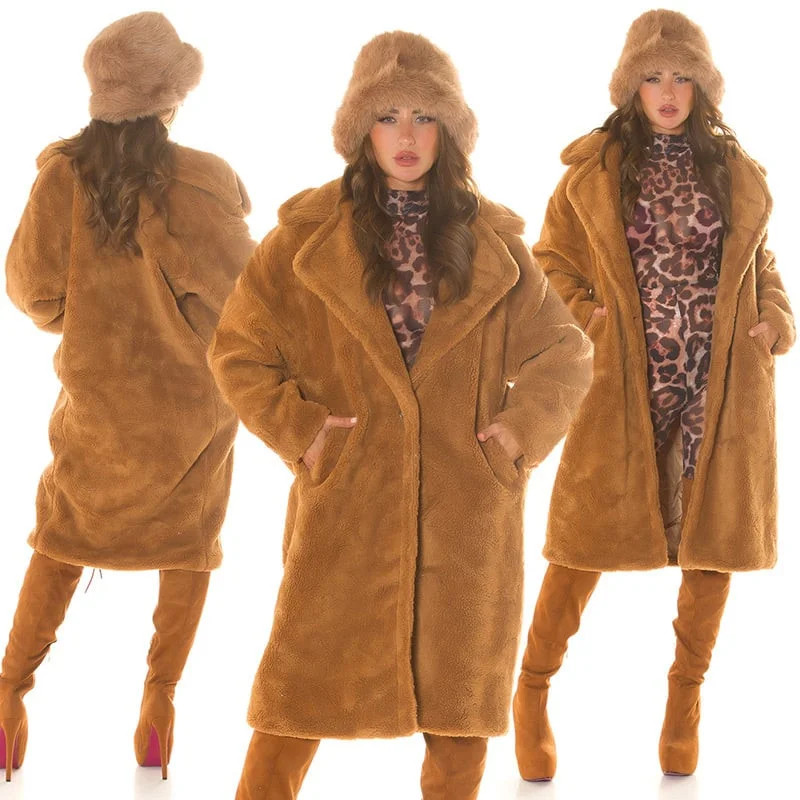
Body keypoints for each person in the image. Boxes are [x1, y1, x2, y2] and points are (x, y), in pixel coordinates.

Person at [209, 30, 593, 800]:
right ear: (362, 130)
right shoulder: (304, 240)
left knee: (458, 711)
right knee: (298, 692)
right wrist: (305, 432)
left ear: (449, 130)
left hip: (466, 508)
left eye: (425, 116)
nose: (407, 135)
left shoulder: (494, 246)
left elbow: (566, 351)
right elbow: (238, 351)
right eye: (388, 117)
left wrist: (515, 436)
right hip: (348, 502)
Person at [512, 9, 795, 780]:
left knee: (713, 541)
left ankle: (683, 703)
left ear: (703, 88)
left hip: (718, 381)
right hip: (623, 382)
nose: (668, 92)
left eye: (682, 78)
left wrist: (774, 319)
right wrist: (588, 317)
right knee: (582, 539)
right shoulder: (593, 173)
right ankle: (532, 692)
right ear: (630, 86)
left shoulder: (734, 170)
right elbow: (548, 262)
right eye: (652, 77)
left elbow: (760, 262)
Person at [0, 12, 255, 781]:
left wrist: (92, 319)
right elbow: (246, 300)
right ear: (172, 96)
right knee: (188, 543)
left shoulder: (61, 176)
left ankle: (8, 696)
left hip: (98, 406)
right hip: (189, 410)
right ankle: (159, 705)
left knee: (62, 536)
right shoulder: (201, 181)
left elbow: (31, 292)